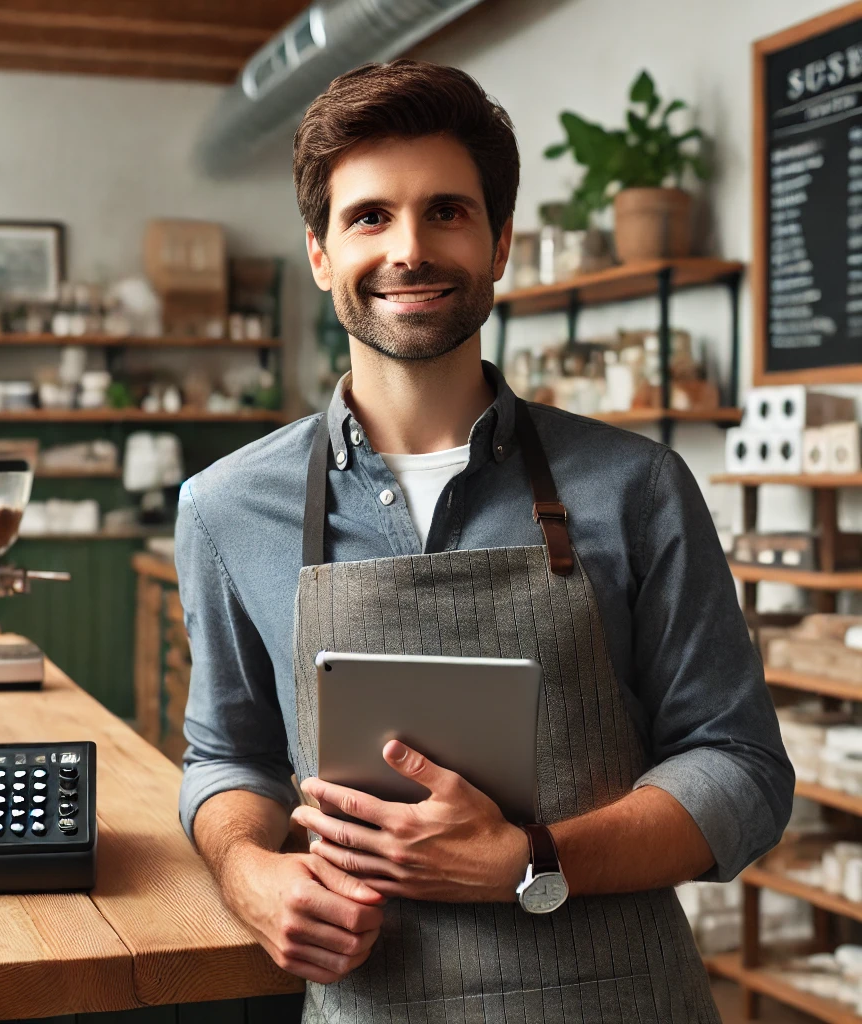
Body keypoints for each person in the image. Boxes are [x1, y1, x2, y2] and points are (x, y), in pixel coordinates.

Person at [174, 59, 794, 1023]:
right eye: (370, 216)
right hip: (373, 1002)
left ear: (500, 243)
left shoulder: (638, 487)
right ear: (320, 254)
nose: (409, 249)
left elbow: (742, 767)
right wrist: (247, 868)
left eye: (448, 212)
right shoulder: (225, 507)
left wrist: (531, 858)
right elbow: (227, 756)